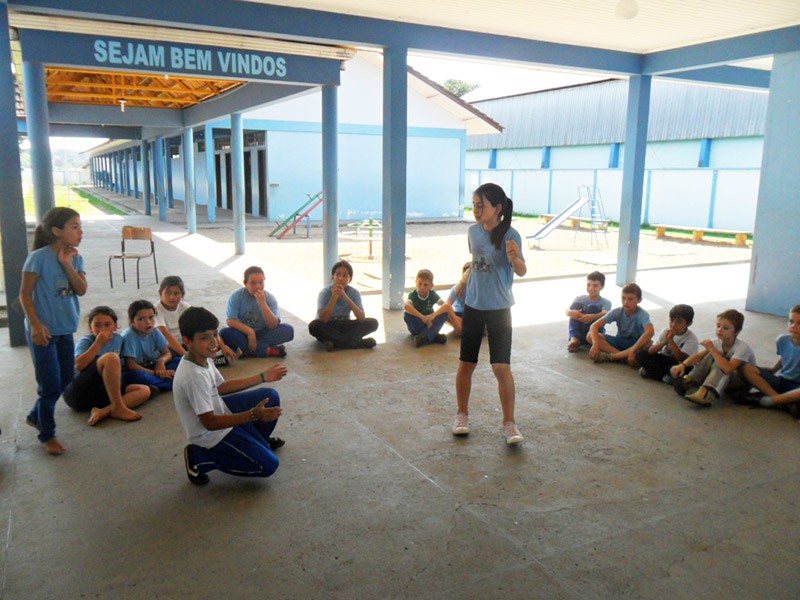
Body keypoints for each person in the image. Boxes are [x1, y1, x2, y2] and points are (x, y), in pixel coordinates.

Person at [174, 307, 286, 485]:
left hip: (221, 410)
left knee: (269, 395)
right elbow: (210, 423)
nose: (214, 342)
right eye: (204, 337)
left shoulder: (202, 356)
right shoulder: (192, 376)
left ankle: (258, 441)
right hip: (210, 435)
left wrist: (263, 377)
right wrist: (252, 415)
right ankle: (199, 456)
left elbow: (221, 387)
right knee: (268, 465)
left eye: (215, 334)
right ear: (187, 341)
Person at [453, 183, 527, 445]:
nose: (476, 210)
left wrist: (515, 258)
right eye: (474, 205)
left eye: (480, 205)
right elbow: (474, 264)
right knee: (466, 364)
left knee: (501, 367)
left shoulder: (511, 235)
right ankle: (462, 415)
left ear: (497, 208)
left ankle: (510, 424)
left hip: (499, 310)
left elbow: (521, 271)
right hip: (473, 307)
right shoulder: (472, 232)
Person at [19, 207, 87, 455]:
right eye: (75, 227)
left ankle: (35, 415)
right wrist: (35, 325)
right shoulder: (37, 258)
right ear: (57, 231)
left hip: (65, 329)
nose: (80, 232)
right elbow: (25, 295)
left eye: (80, 227)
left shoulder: (76, 258)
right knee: (49, 385)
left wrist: (66, 264)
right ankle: (47, 433)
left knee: (66, 377)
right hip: (43, 332)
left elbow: (81, 289)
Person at [63, 306, 153, 426]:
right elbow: (79, 366)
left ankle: (105, 411)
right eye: (97, 325)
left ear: (115, 326)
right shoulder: (86, 341)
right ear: (90, 327)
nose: (103, 329)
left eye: (107, 325)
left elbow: (127, 364)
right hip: (79, 392)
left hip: (104, 393)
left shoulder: (118, 339)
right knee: (111, 357)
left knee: (144, 390)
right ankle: (119, 407)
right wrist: (98, 343)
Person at [669, 309, 755, 406]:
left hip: (741, 383)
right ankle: (689, 380)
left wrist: (712, 349)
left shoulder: (742, 347)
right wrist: (683, 365)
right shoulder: (717, 342)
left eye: (726, 328)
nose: (720, 330)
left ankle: (706, 394)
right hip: (724, 380)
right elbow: (698, 356)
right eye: (718, 326)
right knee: (711, 354)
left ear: (736, 331)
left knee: (720, 359)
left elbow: (729, 369)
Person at [155, 275, 236, 367]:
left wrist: (223, 346)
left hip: (186, 343)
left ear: (182, 294)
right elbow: (166, 335)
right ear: (161, 292)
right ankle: (211, 361)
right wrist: (188, 356)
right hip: (171, 347)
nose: (172, 297)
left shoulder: (184, 306)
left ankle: (210, 359)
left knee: (205, 339)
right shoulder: (156, 310)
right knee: (175, 362)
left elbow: (206, 322)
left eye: (176, 293)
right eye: (168, 293)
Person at [220, 266, 294, 358]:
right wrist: (250, 333)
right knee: (225, 333)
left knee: (288, 330)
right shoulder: (236, 296)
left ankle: (247, 350)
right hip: (244, 333)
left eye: (261, 282)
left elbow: (273, 325)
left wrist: (263, 303)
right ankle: (270, 351)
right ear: (245, 283)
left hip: (264, 332)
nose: (258, 286)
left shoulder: (270, 298)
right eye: (253, 283)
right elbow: (231, 321)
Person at [740, 304, 800, 410]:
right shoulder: (782, 340)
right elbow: (784, 358)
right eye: (791, 321)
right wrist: (773, 370)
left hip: (797, 388)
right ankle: (780, 400)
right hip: (781, 381)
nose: (793, 326)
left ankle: (772, 401)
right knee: (746, 367)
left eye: (799, 323)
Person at [308, 260, 378, 351]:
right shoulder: (324, 293)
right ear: (333, 276)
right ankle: (358, 343)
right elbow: (323, 319)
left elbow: (361, 318)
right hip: (328, 326)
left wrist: (346, 297)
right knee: (314, 326)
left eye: (345, 276)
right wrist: (334, 297)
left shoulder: (354, 293)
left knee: (373, 323)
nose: (341, 278)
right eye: (338, 275)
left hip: (345, 324)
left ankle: (334, 342)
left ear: (350, 279)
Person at [588, 283, 654, 366]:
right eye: (623, 298)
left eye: (630, 299)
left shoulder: (642, 314)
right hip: (620, 341)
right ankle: (623, 357)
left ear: (639, 300)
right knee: (590, 335)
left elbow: (650, 331)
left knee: (648, 344)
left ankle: (613, 356)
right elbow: (594, 326)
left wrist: (633, 350)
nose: (626, 302)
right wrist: (595, 345)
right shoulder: (617, 312)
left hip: (636, 344)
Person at [121, 299, 181, 391]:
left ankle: (160, 384)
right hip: (138, 370)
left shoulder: (154, 331)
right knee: (138, 376)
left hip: (154, 365)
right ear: (132, 321)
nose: (148, 322)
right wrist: (157, 373)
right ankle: (173, 383)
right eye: (142, 319)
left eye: (151, 317)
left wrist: (161, 362)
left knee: (179, 361)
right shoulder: (129, 336)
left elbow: (167, 353)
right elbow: (131, 365)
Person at [635, 304, 698, 382]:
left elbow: (681, 358)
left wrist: (671, 340)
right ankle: (664, 375)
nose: (673, 325)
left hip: (678, 364)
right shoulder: (666, 331)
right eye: (671, 320)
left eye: (679, 322)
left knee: (686, 369)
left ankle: (653, 372)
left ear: (688, 324)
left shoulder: (691, 338)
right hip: (664, 359)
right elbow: (651, 351)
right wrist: (665, 341)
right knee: (640, 353)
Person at [566, 271, 612, 352]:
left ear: (602, 287)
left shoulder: (605, 302)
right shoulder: (580, 298)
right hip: (579, 330)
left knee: (592, 308)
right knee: (575, 306)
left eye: (595, 285)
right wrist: (571, 312)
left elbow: (606, 313)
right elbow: (567, 310)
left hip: (593, 333)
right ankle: (575, 339)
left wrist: (592, 316)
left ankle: (588, 340)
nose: (591, 288)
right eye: (588, 285)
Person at [404, 269, 450, 347]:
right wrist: (422, 317)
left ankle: (424, 337)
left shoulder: (432, 294)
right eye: (419, 284)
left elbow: (446, 305)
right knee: (407, 314)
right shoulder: (413, 294)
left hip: (430, 323)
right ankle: (433, 336)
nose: (422, 287)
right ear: (416, 282)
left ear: (431, 286)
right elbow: (406, 306)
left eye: (425, 285)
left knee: (445, 313)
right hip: (418, 323)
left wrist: (433, 315)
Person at [445, 262, 471, 337]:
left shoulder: (479, 289)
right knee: (444, 314)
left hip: (472, 315)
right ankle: (461, 329)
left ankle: (463, 329)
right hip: (458, 314)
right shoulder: (457, 288)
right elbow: (447, 305)